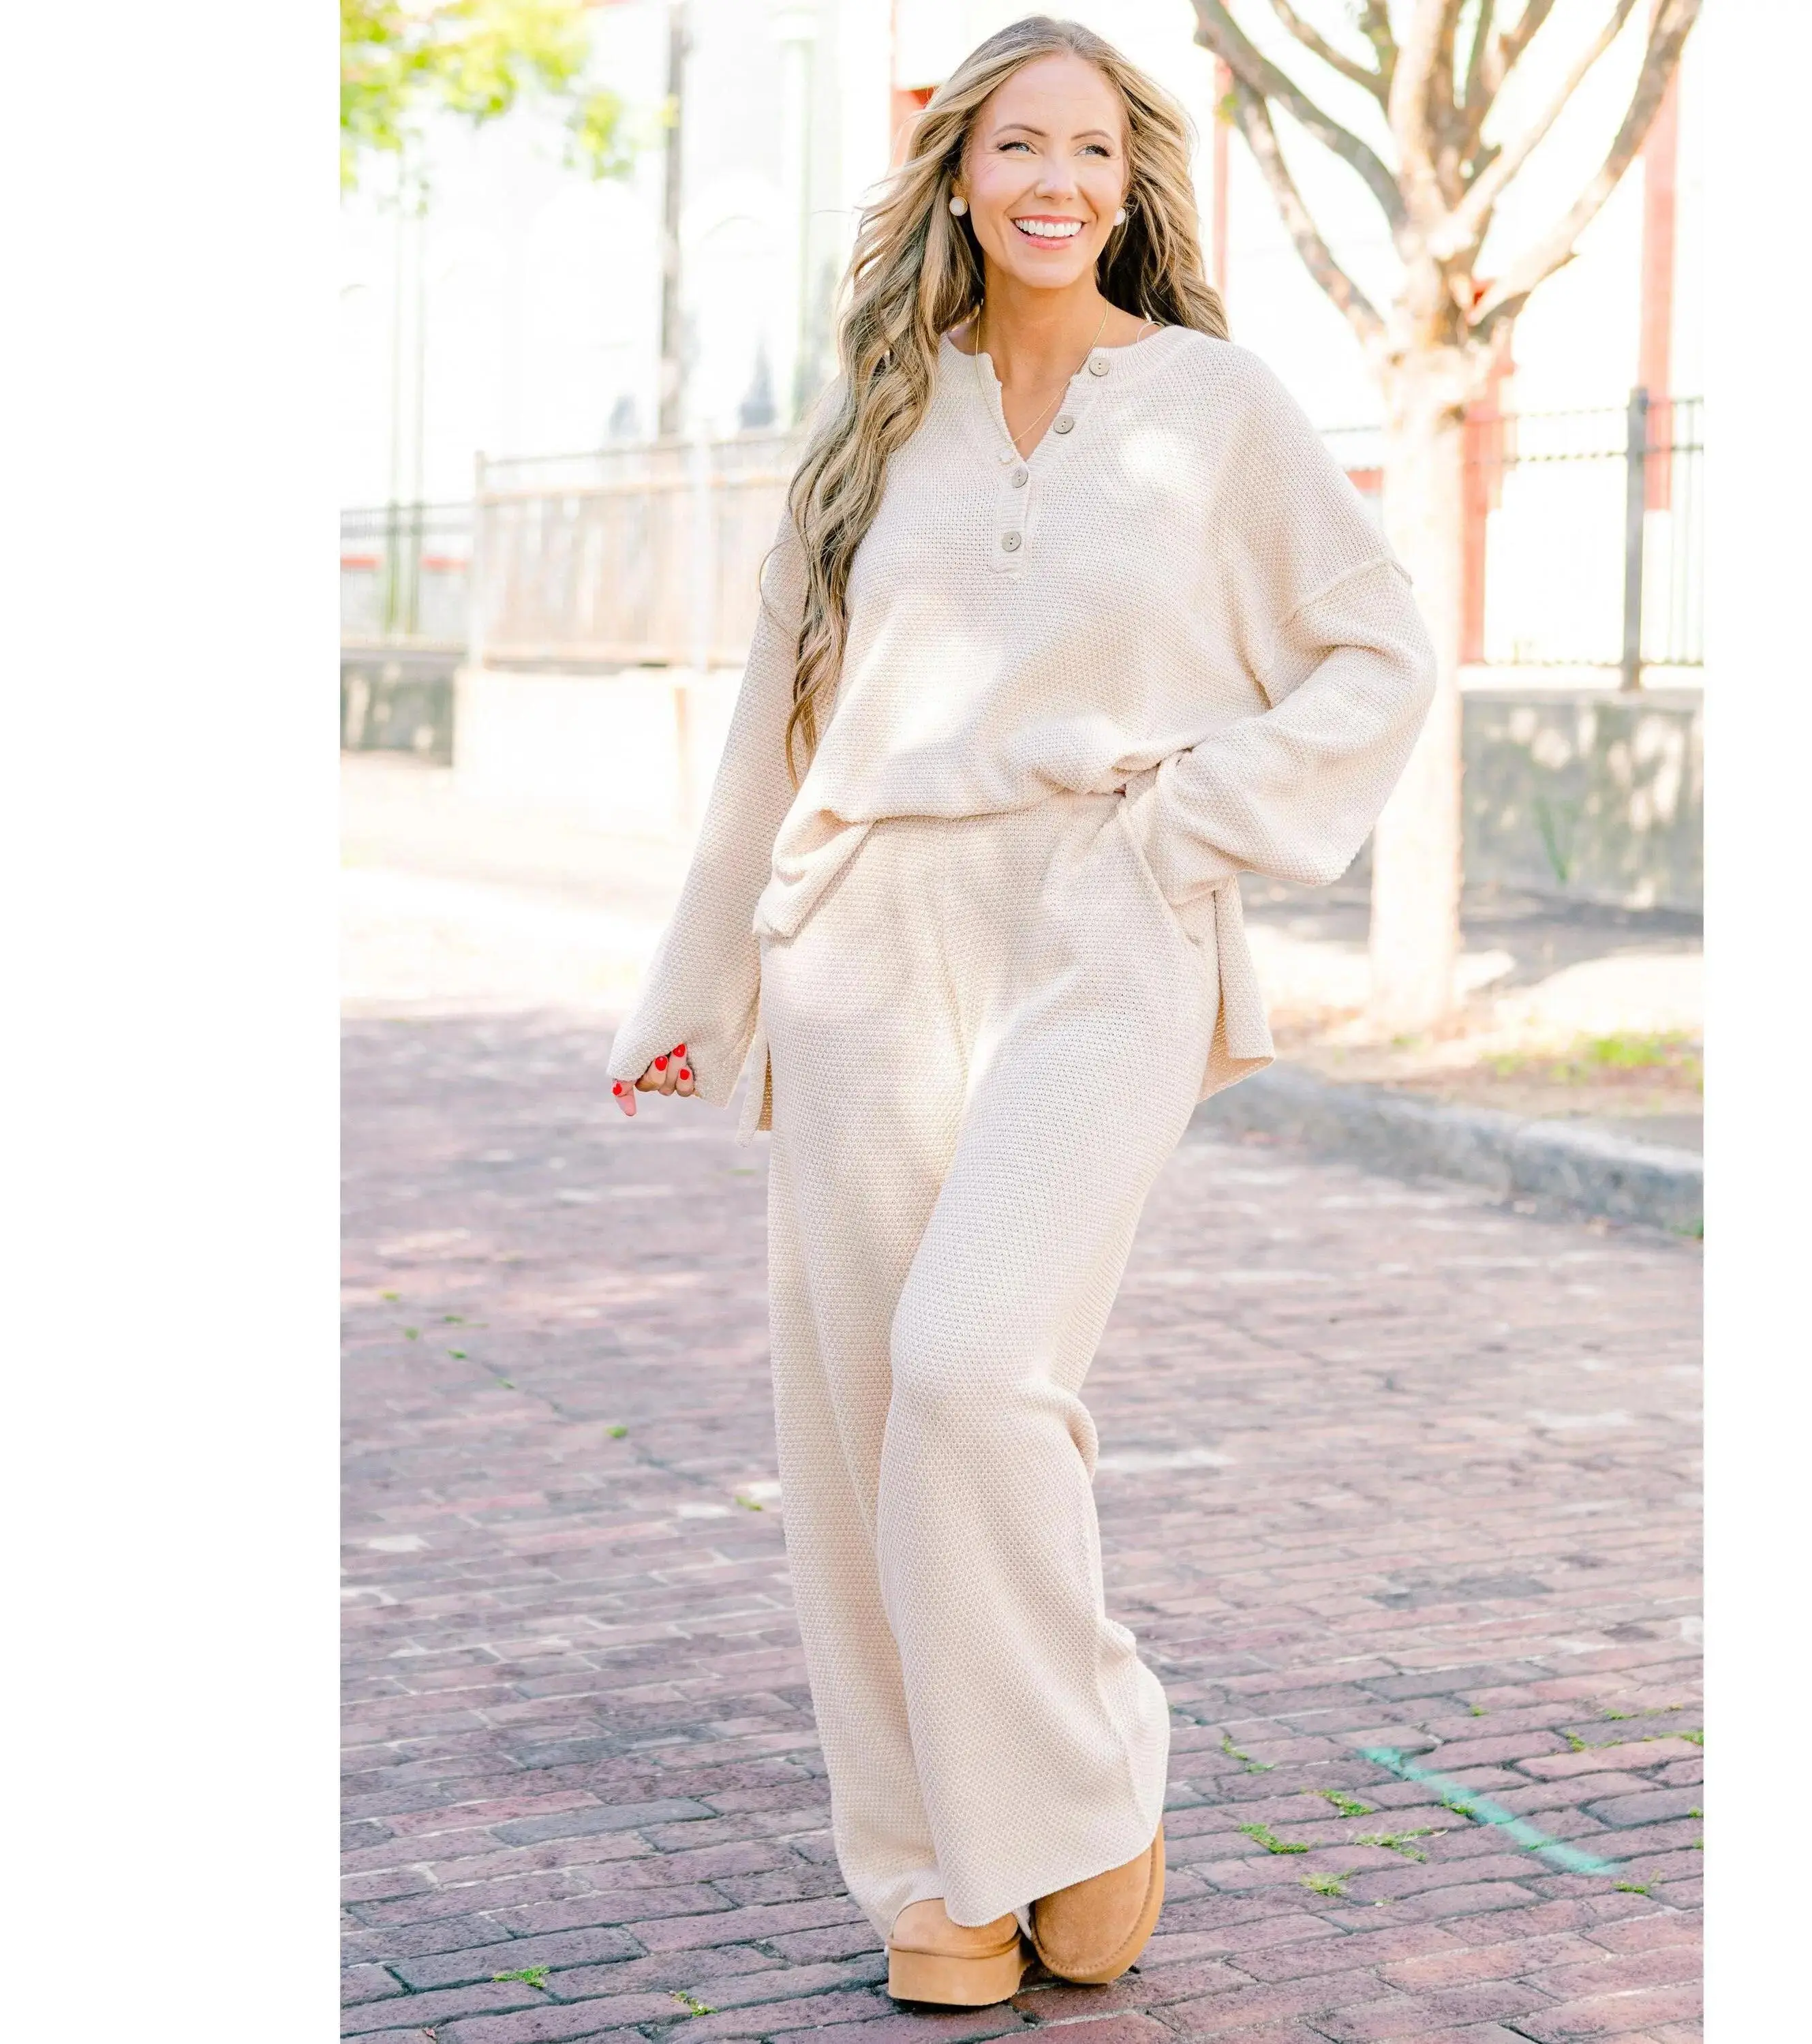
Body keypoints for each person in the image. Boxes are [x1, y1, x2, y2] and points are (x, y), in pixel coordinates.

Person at [606, 14, 1434, 2009]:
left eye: (1091, 151)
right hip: (869, 935)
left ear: (1131, 188)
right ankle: (936, 1870)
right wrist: (701, 983)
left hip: (1103, 922)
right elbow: (777, 717)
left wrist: (1187, 827)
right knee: (861, 1412)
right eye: (1017, 146)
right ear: (957, 174)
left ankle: (1075, 1789)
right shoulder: (880, 421)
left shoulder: (1213, 411)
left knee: (975, 1364)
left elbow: (1379, 654)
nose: (1056, 181)